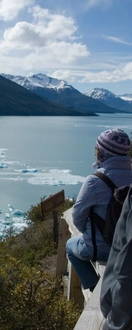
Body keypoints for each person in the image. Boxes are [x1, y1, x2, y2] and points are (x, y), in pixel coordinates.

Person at [66, 128, 132, 291]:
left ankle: (95, 288)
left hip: (104, 249)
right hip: (129, 249)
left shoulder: (95, 181)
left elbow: (78, 216)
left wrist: (87, 232)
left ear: (102, 152)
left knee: (70, 246)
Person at [100, 186, 132, 329]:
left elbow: (127, 272)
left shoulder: (93, 182)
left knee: (70, 247)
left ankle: (89, 283)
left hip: (121, 314)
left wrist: (114, 324)